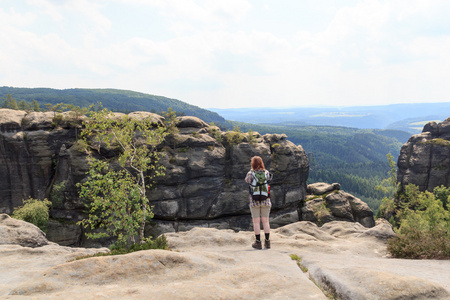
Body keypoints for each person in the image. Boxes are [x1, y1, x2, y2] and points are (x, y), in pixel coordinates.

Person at [245, 156, 272, 249]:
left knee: (256, 222)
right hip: (266, 200)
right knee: (266, 221)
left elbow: (247, 181)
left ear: (252, 164)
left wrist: (252, 171)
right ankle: (267, 242)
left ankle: (258, 242)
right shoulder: (266, 172)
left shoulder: (250, 173)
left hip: (254, 201)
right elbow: (269, 180)